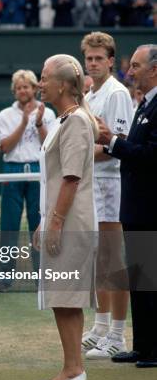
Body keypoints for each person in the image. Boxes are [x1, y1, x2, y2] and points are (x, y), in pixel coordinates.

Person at [34, 54, 99, 380]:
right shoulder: (65, 120)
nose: (39, 84)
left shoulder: (75, 122)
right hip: (62, 219)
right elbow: (58, 178)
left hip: (72, 223)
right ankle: (72, 367)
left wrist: (56, 222)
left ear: (61, 84)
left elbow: (71, 179)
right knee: (63, 296)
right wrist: (46, 220)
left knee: (67, 296)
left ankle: (73, 368)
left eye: (44, 78)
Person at [98, 44, 157, 368]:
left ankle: (154, 349)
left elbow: (151, 155)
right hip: (136, 207)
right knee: (141, 281)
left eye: (136, 66)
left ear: (154, 70)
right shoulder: (145, 105)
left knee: (151, 282)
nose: (130, 72)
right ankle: (143, 346)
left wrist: (112, 142)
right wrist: (115, 141)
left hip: (150, 208)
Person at [80, 32, 133, 360]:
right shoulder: (89, 92)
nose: (94, 63)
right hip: (92, 185)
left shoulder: (116, 93)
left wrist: (80, 153)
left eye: (99, 58)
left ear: (111, 61)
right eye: (89, 58)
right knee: (98, 260)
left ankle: (118, 335)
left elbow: (119, 143)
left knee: (114, 261)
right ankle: (100, 327)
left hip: (111, 186)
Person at [0, 70, 55, 292]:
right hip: (12, 171)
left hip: (38, 172)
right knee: (8, 227)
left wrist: (38, 123)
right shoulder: (5, 115)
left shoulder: (47, 112)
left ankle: (41, 278)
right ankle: (5, 278)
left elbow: (47, 146)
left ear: (34, 88)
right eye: (19, 87)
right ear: (15, 91)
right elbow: (5, 147)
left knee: (38, 225)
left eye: (27, 86)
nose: (23, 90)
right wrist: (23, 122)